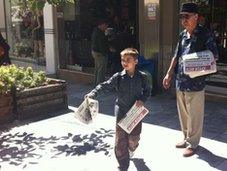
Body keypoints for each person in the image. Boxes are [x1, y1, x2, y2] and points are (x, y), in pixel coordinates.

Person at [162, 2, 218, 157]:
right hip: (180, 80)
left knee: (195, 114)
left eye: (187, 17)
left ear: (196, 17)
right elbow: (176, 55)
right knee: (184, 113)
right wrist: (169, 73)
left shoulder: (205, 34)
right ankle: (186, 137)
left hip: (196, 82)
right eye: (181, 17)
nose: (183, 20)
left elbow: (214, 56)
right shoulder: (182, 35)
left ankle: (193, 143)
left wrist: (194, 61)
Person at [85, 48, 151, 171]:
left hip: (135, 113)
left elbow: (148, 91)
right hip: (121, 110)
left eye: (128, 60)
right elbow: (104, 85)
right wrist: (93, 93)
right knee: (120, 141)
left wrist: (142, 99)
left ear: (135, 61)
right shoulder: (118, 77)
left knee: (133, 139)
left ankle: (132, 149)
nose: (124, 62)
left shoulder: (142, 77)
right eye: (122, 60)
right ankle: (123, 165)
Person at [91, 19, 109, 86]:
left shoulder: (96, 31)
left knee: (97, 69)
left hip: (95, 52)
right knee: (101, 70)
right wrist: (105, 53)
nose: (106, 27)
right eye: (106, 26)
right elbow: (102, 45)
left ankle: (96, 85)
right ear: (102, 25)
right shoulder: (99, 33)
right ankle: (100, 86)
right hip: (100, 53)